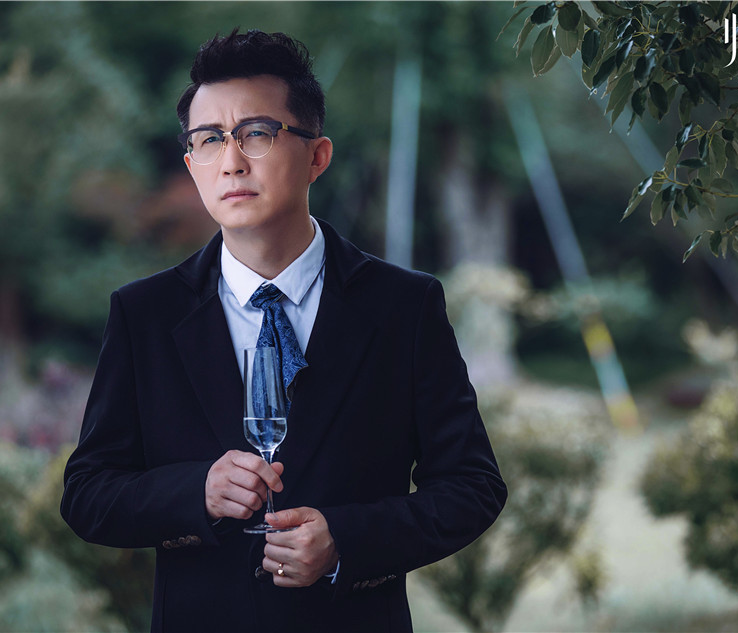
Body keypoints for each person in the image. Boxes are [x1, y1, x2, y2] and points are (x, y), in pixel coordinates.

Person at [61, 28, 506, 633]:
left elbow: (472, 486)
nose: (232, 161)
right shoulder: (144, 314)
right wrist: (197, 492)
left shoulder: (404, 306)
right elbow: (88, 494)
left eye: (257, 133)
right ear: (191, 165)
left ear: (317, 156)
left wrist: (346, 540)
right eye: (209, 139)